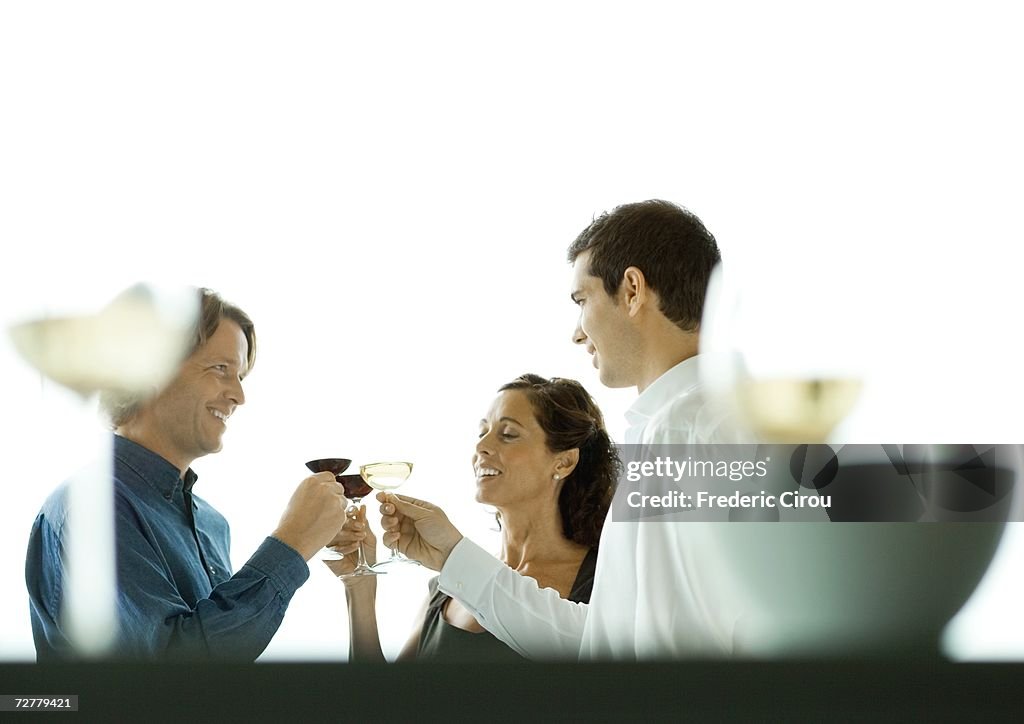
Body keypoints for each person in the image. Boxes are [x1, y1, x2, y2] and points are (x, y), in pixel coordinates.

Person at [378, 199, 749, 660]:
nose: (577, 332)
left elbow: (661, 663)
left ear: (632, 290)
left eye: (582, 300)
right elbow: (606, 641)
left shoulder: (683, 429)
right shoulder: (739, 420)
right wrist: (452, 556)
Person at [26, 287, 349, 660]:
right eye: (221, 369)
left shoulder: (213, 524)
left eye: (240, 375)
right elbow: (177, 671)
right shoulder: (91, 508)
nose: (239, 396)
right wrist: (293, 542)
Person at [330, 374, 619, 662]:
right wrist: (359, 586)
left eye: (508, 434)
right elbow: (386, 705)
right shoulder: (447, 585)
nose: (482, 446)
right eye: (483, 432)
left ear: (564, 461)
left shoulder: (602, 581)